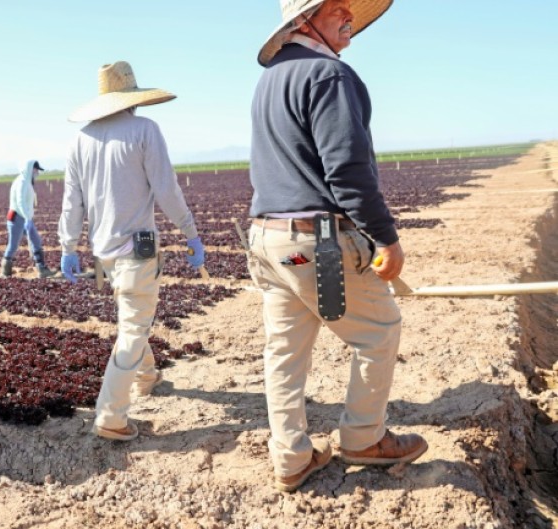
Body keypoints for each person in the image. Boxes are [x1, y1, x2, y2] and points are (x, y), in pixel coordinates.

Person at [249, 0, 427, 493]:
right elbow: (347, 171)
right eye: (336, 9)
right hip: (316, 240)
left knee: (285, 351)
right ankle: (364, 439)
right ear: (304, 21)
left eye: (350, 8)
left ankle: (291, 458)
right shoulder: (329, 75)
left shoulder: (271, 80)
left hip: (268, 239)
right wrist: (386, 238)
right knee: (379, 331)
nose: (349, 16)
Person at [59, 61, 205, 441]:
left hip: (103, 253)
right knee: (133, 327)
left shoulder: (80, 141)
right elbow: (166, 188)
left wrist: (68, 246)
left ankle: (146, 376)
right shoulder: (144, 130)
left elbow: (71, 201)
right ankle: (111, 416)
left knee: (133, 315)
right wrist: (190, 233)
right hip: (136, 251)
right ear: (132, 97)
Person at [0, 159, 57, 278]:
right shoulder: (21, 182)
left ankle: (41, 269)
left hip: (25, 218)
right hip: (17, 218)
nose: (37, 172)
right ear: (30, 169)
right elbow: (20, 202)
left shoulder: (26, 181)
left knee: (36, 241)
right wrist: (27, 218)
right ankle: (6, 271)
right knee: (13, 244)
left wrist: (28, 218)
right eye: (36, 170)